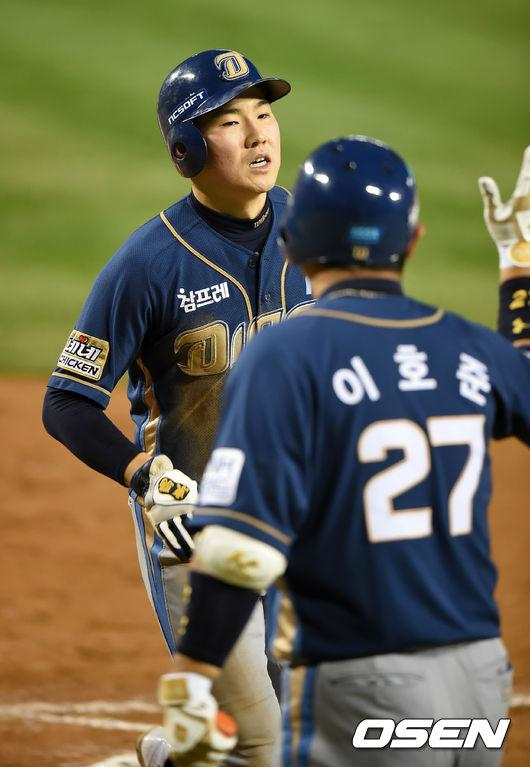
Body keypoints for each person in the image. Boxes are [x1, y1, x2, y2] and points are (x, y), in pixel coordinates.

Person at [153, 138, 530, 767]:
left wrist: (192, 678)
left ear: (293, 244)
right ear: (412, 242)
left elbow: (240, 545)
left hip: (365, 686)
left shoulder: (288, 355)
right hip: (480, 682)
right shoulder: (467, 348)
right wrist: (518, 264)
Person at [42, 49, 312, 767]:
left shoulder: (314, 229)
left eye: (263, 113)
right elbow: (66, 401)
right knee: (260, 744)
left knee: (299, 735)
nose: (259, 134)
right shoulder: (147, 264)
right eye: (231, 120)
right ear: (186, 150)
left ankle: (168, 757)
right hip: (195, 529)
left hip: (302, 521)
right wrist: (140, 471)